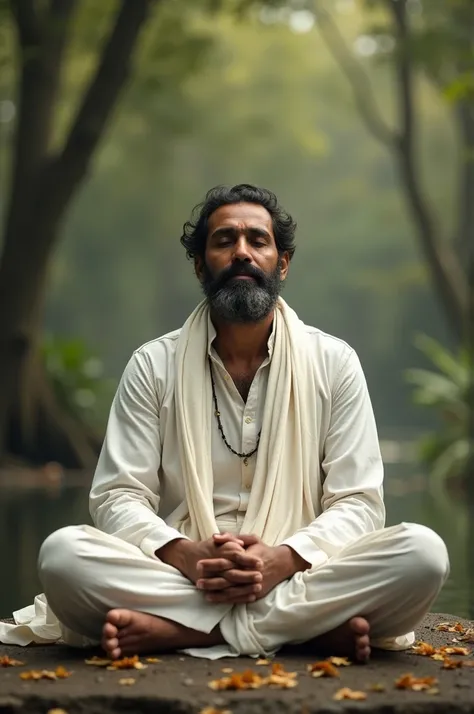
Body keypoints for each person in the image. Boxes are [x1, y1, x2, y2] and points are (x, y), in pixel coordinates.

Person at [0, 184, 449, 663]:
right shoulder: (154, 365)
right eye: (224, 241)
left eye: (257, 240)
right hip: (183, 572)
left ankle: (179, 631)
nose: (241, 252)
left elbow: (358, 501)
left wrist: (283, 559)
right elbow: (117, 496)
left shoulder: (334, 362)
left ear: (282, 263)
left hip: (299, 570)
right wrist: (184, 554)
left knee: (423, 555)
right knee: (63, 556)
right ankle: (304, 632)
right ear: (200, 264)